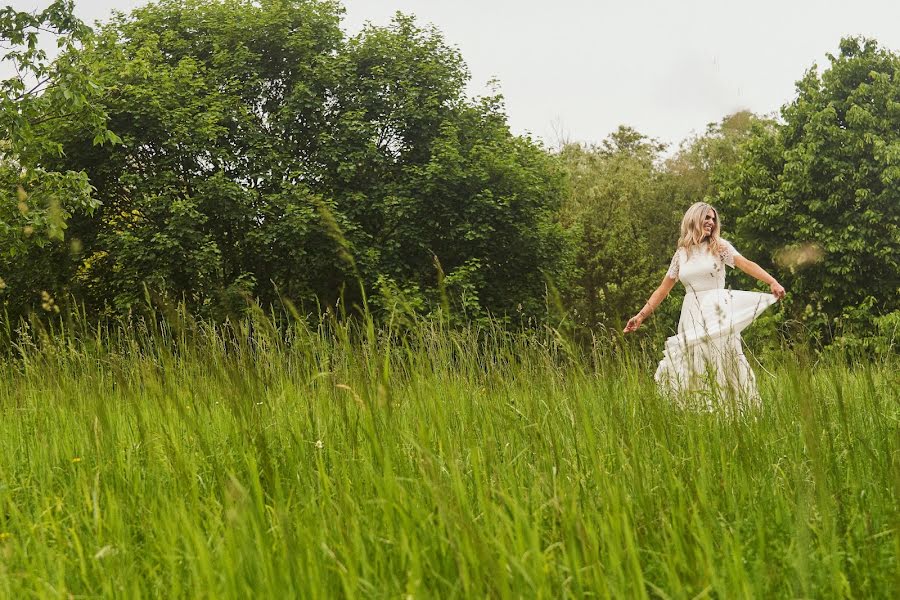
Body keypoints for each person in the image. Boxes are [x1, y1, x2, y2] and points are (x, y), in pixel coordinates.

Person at [623, 202, 786, 406]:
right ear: (694, 219)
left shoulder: (719, 247)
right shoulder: (681, 254)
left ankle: (733, 411)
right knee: (693, 363)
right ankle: (699, 413)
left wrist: (772, 281)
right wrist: (640, 316)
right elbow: (662, 290)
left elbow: (746, 264)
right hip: (691, 312)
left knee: (722, 360)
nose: (711, 222)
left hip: (716, 309)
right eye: (707, 218)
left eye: (713, 219)